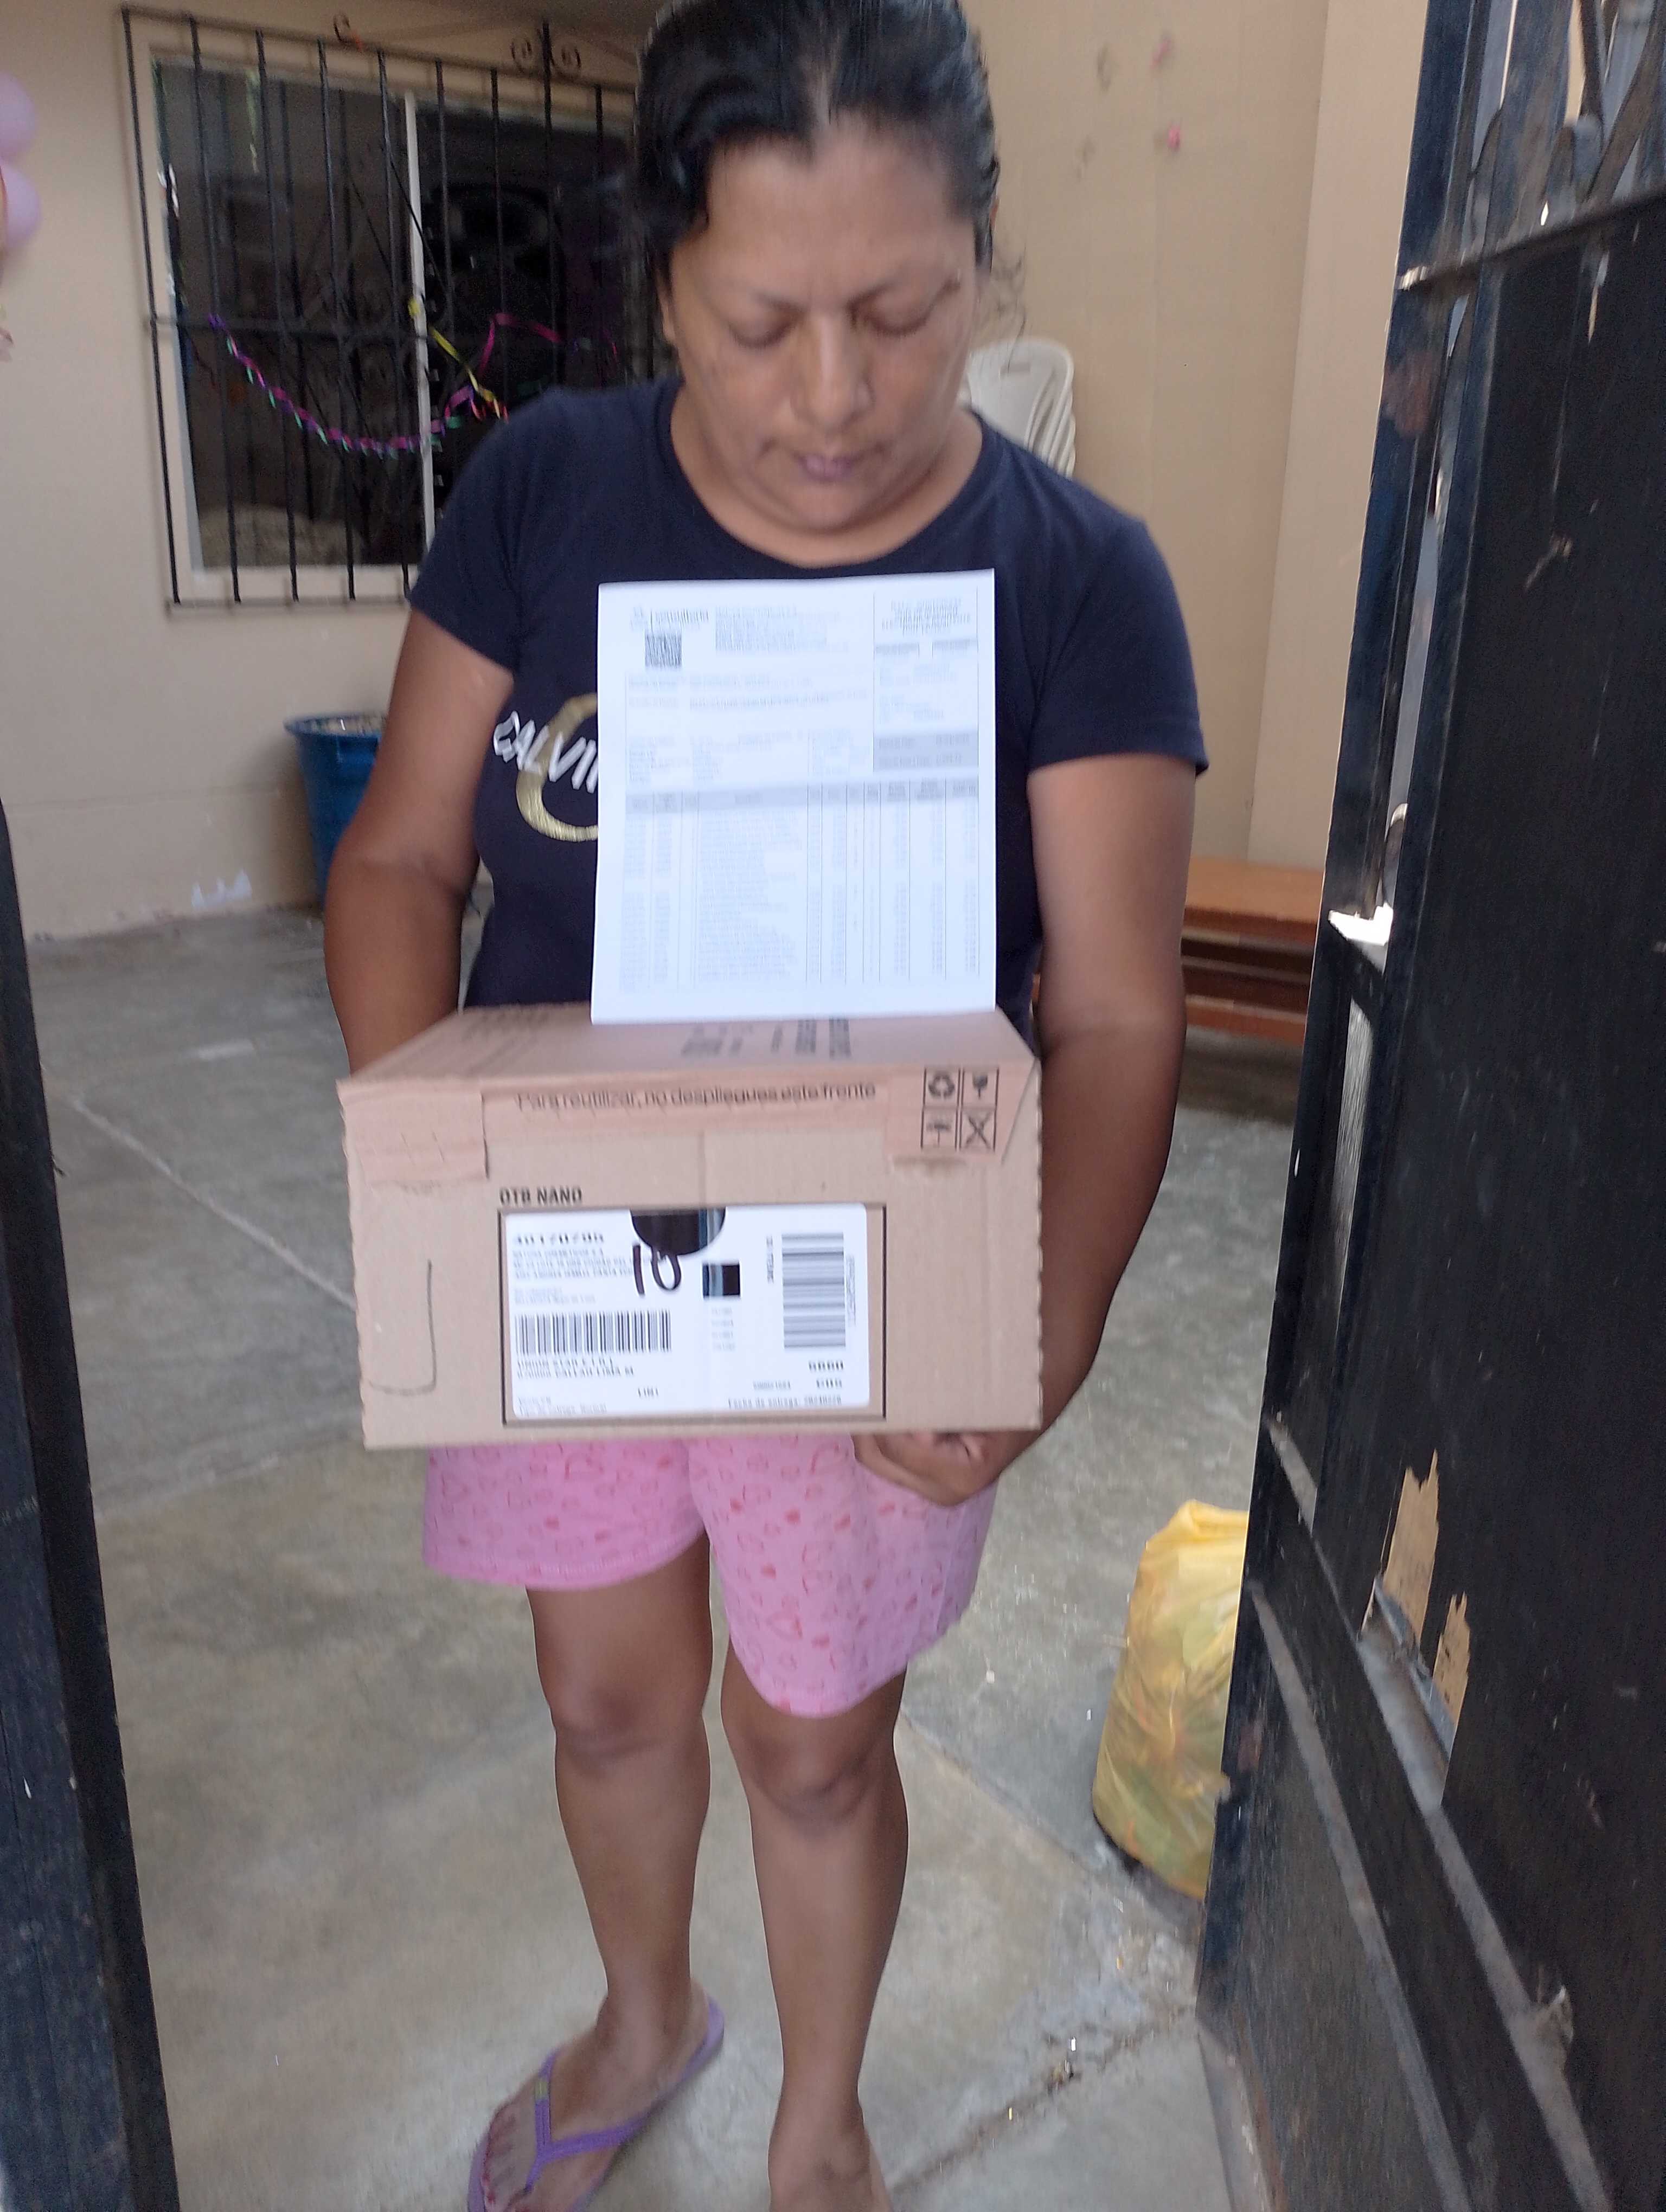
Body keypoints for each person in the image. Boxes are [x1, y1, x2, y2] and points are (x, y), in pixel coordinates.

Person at [325, 2, 1204, 2204]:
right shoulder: (546, 494)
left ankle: (822, 2120)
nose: (831, 395)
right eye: (760, 323)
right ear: (663, 286)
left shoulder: (1078, 583)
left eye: (902, 314)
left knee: (815, 1744)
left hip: (874, 1286)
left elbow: (1113, 1015)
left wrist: (1040, 1338)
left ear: (983, 261)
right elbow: (403, 863)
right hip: (572, 1255)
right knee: (611, 1701)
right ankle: (648, 2016)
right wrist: (438, 1176)